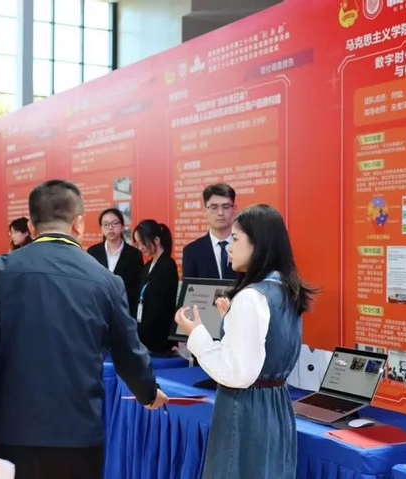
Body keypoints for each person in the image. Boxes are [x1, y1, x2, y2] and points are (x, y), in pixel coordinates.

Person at [0, 180, 167, 479]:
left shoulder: (0, 270)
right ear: (79, 224)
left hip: (13, 429)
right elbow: (129, 352)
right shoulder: (107, 281)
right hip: (79, 433)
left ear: (31, 227)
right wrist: (148, 393)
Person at [175, 204, 316, 478]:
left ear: (258, 245)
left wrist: (197, 333)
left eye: (236, 239)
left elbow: (236, 373)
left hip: (246, 411)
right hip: (276, 407)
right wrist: (233, 320)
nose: (229, 246)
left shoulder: (252, 297)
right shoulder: (286, 290)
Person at [133, 219, 179, 355]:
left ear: (156, 240)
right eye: (137, 243)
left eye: (142, 242)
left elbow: (161, 304)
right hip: (144, 331)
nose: (140, 247)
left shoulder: (167, 265)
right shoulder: (147, 265)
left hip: (159, 334)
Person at [87, 208, 143, 316]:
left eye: (114, 223)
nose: (110, 228)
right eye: (106, 224)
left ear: (122, 226)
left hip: (125, 312)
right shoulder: (93, 252)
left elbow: (136, 287)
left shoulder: (134, 254)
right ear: (101, 228)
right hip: (98, 311)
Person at [182, 183, 237, 279]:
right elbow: (190, 287)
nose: (220, 213)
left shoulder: (247, 247)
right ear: (204, 211)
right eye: (214, 208)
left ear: (234, 209)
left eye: (226, 207)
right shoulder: (191, 251)